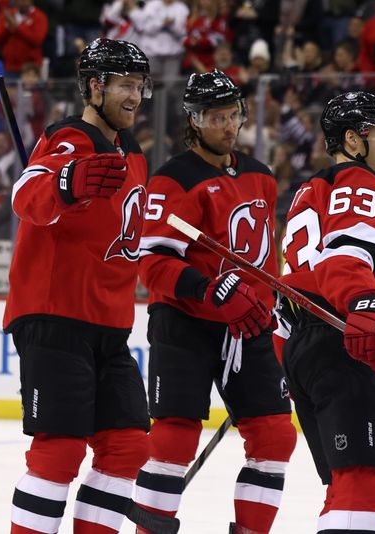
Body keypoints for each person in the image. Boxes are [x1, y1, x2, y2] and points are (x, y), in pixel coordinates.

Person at [133, 69, 297, 534]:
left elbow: (265, 253)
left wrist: (272, 299)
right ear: (195, 120)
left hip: (249, 326)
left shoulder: (261, 177)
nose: (228, 125)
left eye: (233, 114)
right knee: (173, 441)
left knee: (274, 436)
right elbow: (154, 264)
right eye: (216, 117)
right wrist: (208, 289)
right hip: (185, 323)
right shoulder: (174, 180)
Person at [2, 38, 155, 534]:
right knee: (61, 448)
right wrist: (66, 183)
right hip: (56, 314)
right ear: (95, 85)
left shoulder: (132, 154)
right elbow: (26, 196)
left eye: (140, 86)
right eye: (125, 85)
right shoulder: (71, 138)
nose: (135, 96)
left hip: (109, 324)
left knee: (128, 444)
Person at [276, 91, 375, 533]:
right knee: (363, 482)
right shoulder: (360, 181)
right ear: (353, 140)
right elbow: (345, 259)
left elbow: (297, 280)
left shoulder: (310, 190)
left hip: (305, 346)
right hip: (343, 336)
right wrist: (364, 303)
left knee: (341, 483)